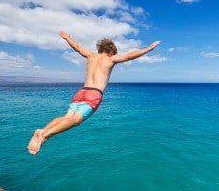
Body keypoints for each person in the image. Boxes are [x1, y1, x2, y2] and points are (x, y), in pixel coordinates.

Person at [28, 31, 160, 155]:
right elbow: (130, 56)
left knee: (67, 117)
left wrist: (68, 38)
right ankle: (46, 134)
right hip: (94, 95)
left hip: (81, 92)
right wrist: (149, 48)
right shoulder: (110, 59)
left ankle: (43, 132)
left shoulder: (90, 55)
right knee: (75, 120)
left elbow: (78, 48)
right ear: (110, 51)